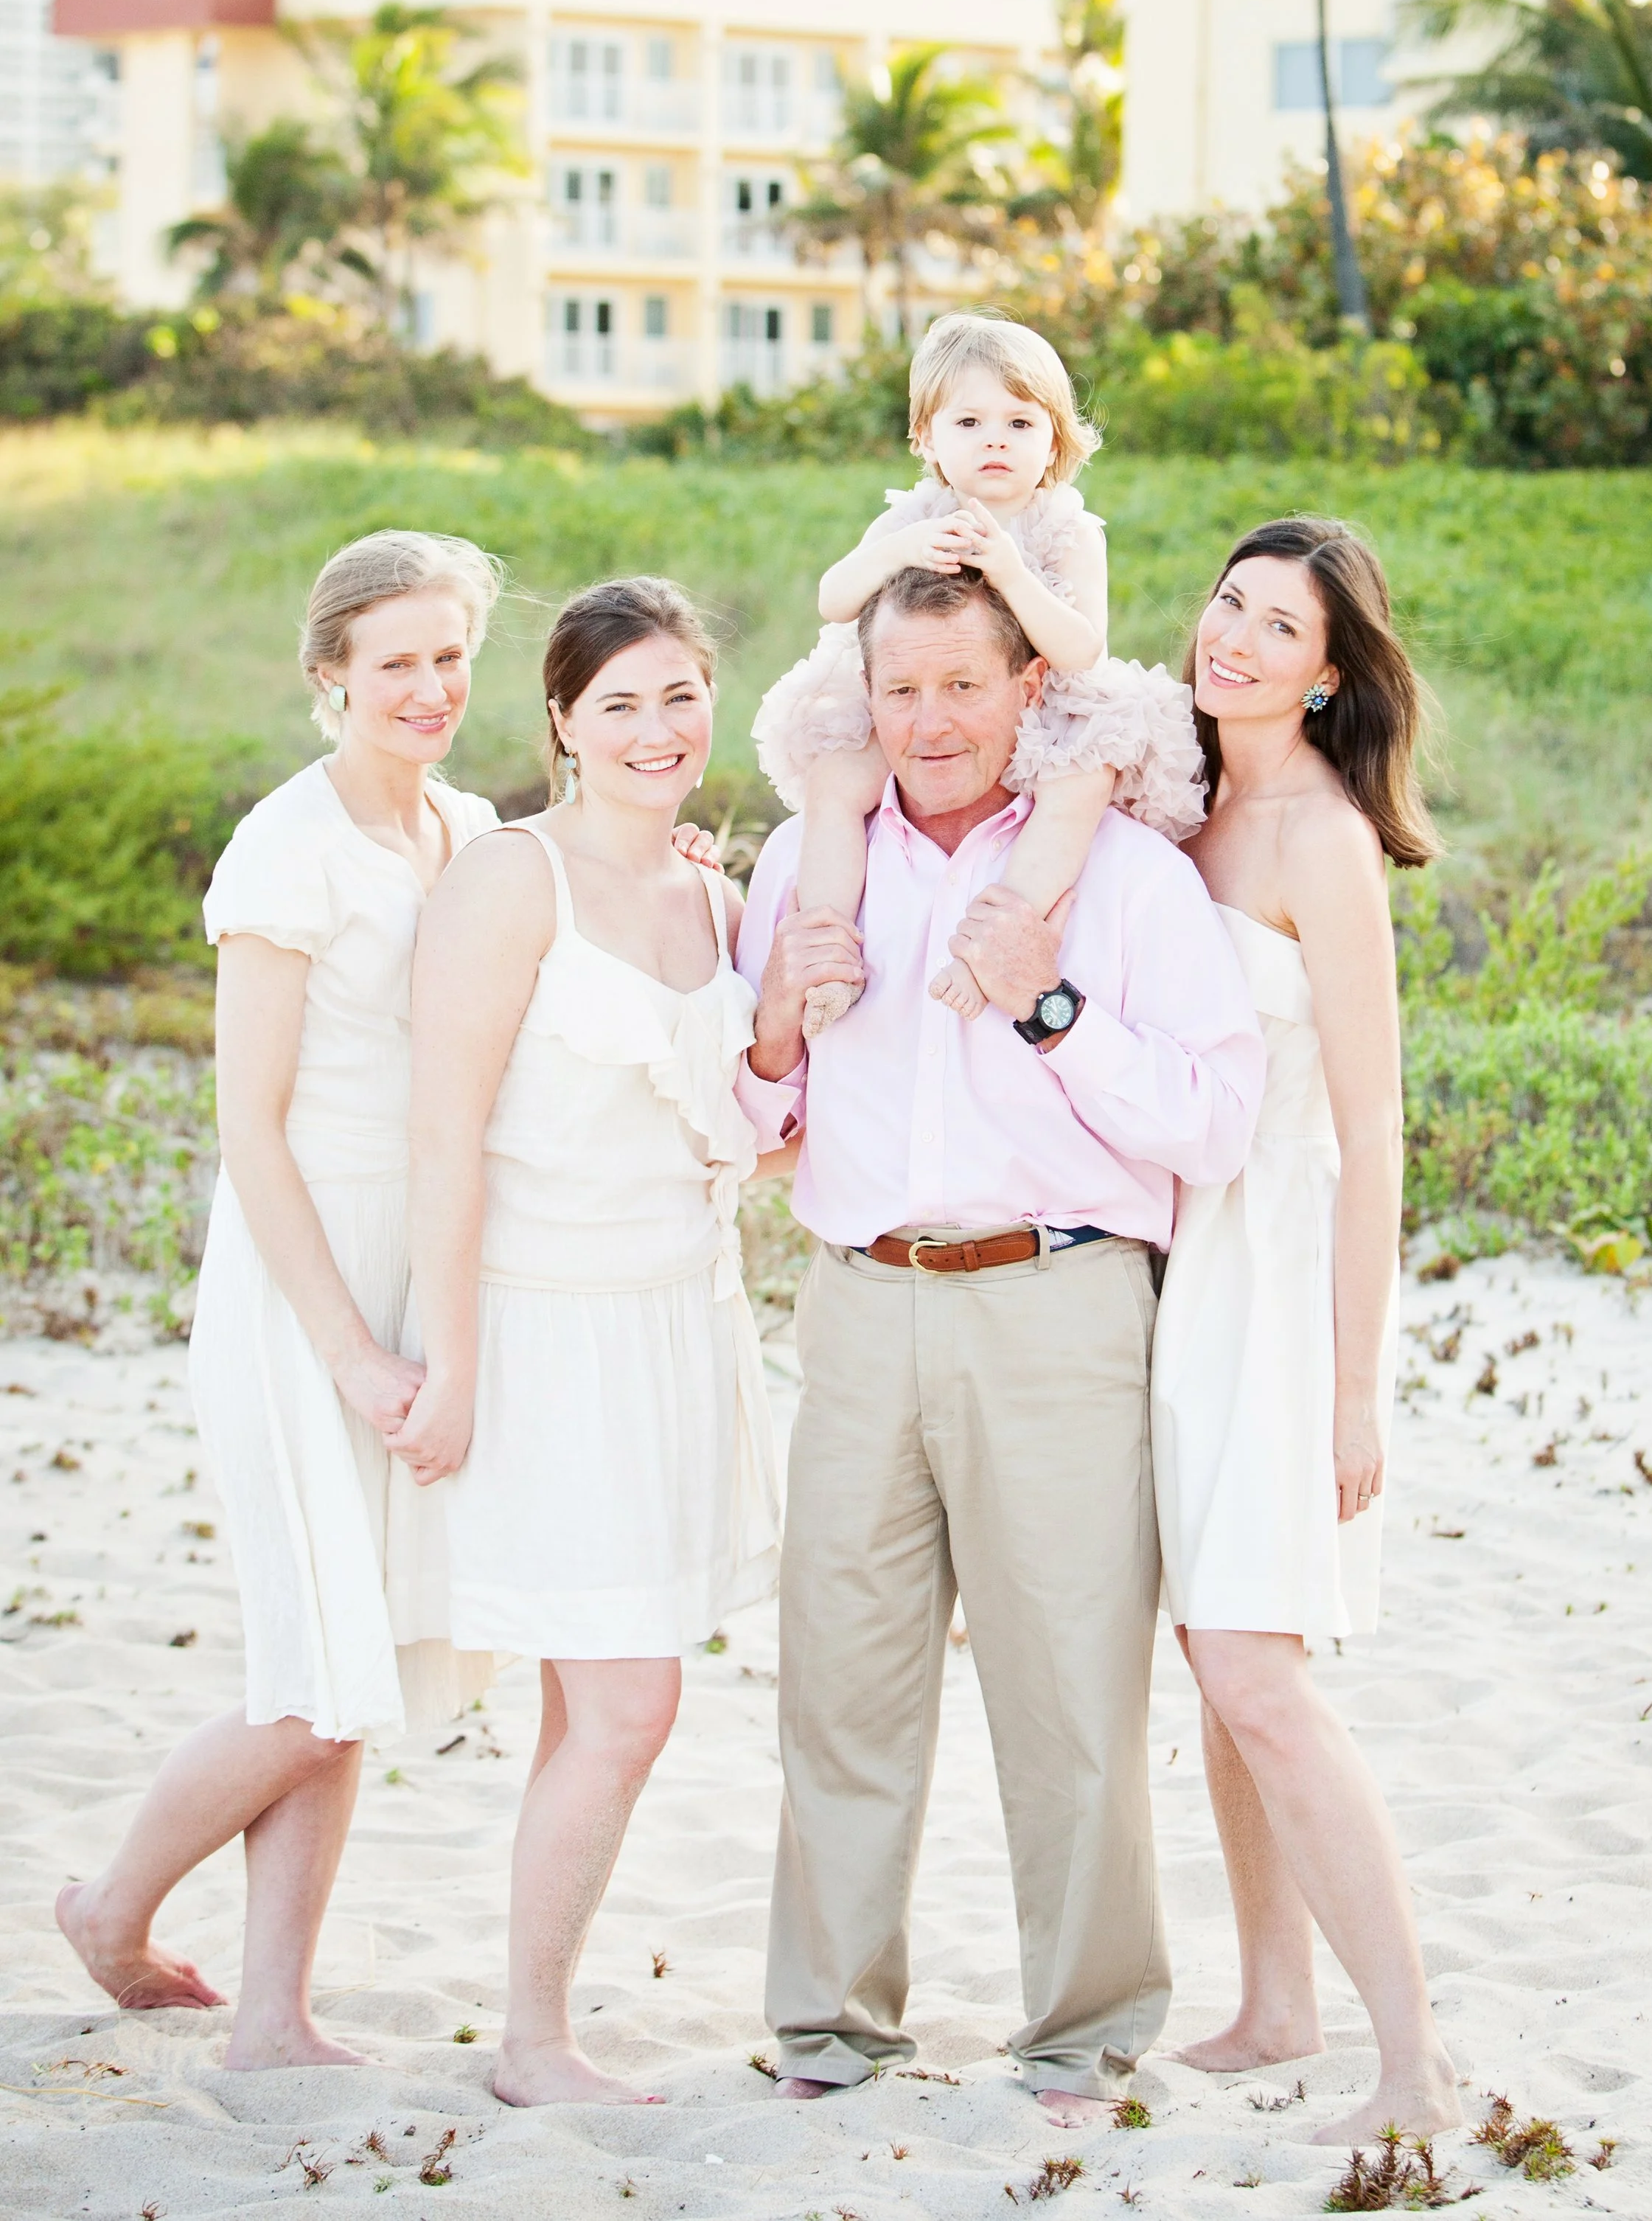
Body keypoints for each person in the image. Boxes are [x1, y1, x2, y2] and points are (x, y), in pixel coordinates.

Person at [737, 559, 1266, 2121]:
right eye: (898, 690)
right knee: (837, 1679)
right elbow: (743, 1116)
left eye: (962, 684)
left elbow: (1216, 1117)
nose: (929, 720)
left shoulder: (1123, 879)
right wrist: (767, 1029)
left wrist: (1050, 1010)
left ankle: (1085, 2030)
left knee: (1069, 1686)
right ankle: (828, 2028)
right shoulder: (807, 864)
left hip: (1058, 1298)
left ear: (1028, 691)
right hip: (855, 1299)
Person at [55, 529, 502, 2065]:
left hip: (415, 1266)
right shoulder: (286, 848)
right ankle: (111, 1911)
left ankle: (273, 2019)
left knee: (347, 1667)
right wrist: (346, 1348)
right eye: (396, 664)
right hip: (296, 1285)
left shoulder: (467, 826)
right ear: (330, 679)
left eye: (450, 656)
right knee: (310, 1681)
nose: (431, 688)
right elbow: (249, 1128)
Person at [394, 577, 780, 2109]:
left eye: (679, 694)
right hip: (548, 1337)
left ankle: (537, 2019)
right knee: (630, 1702)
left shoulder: (717, 897)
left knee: (593, 1698)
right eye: (618, 701)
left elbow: (743, 1131)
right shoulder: (509, 882)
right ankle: (535, 2043)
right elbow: (444, 1134)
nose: (655, 727)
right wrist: (459, 1362)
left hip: (684, 1330)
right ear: (558, 720)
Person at [1151, 516, 1458, 2146]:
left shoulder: (1321, 842)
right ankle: (1272, 2002)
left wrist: (1351, 1387)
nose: (1238, 640)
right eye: (1228, 604)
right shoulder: (1182, 806)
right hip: (1175, 1275)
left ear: (1330, 671)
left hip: (1275, 1284)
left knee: (1259, 1673)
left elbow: (1368, 1133)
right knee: (1215, 1662)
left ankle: (1409, 2058)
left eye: (1280, 628)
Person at [752, 312, 1203, 1033]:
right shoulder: (916, 516)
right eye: (968, 421)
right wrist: (901, 551)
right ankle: (829, 955)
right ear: (927, 438)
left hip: (1050, 701)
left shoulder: (1065, 527)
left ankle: (992, 942)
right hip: (927, 697)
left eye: (1020, 423)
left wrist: (1014, 574)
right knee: (838, 784)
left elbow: (1082, 646)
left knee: (1077, 789)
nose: (995, 439)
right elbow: (834, 598)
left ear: (1054, 439)